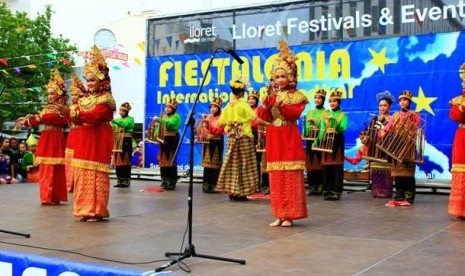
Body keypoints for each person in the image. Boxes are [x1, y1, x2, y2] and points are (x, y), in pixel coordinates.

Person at [257, 40, 308, 227]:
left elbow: (294, 113)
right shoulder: (271, 95)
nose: (279, 80)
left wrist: (279, 104)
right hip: (274, 137)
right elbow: (261, 116)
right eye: (276, 77)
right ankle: (279, 214)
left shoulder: (297, 96)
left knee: (290, 177)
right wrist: (267, 102)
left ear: (291, 77)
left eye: (282, 77)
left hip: (289, 135)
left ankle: (290, 215)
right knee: (276, 177)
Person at [70, 45, 116, 222]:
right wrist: (73, 114)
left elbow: (97, 115)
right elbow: (75, 118)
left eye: (92, 80)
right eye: (87, 80)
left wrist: (78, 113)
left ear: (102, 81)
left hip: (98, 138)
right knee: (82, 173)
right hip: (84, 138)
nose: (89, 84)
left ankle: (96, 210)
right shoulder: (85, 99)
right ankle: (83, 210)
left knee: (96, 174)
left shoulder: (106, 99)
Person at [15, 68, 68, 205]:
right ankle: (47, 196)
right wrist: (26, 121)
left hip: (55, 137)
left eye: (52, 93)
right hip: (47, 137)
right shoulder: (47, 109)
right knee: (46, 168)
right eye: (48, 94)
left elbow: (52, 119)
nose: (49, 96)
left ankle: (55, 196)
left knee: (55, 168)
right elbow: (40, 119)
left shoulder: (63, 108)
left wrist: (36, 118)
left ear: (59, 94)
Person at [216, 76, 264, 201]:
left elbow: (221, 123)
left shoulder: (228, 106)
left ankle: (233, 192)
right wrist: (270, 124)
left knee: (232, 164)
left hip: (232, 138)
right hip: (244, 138)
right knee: (244, 165)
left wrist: (231, 128)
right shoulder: (243, 105)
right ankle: (241, 192)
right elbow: (255, 119)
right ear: (241, 92)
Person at [379, 90, 420, 204]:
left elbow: (415, 127)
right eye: (401, 100)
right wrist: (382, 132)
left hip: (408, 144)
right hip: (396, 143)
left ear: (409, 101)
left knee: (408, 170)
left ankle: (409, 194)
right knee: (397, 171)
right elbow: (388, 127)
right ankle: (399, 193)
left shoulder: (414, 114)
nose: (402, 102)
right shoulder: (395, 115)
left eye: (405, 100)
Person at [319, 91, 348, 201]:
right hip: (326, 141)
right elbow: (322, 129)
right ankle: (327, 190)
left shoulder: (343, 115)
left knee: (337, 168)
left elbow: (343, 128)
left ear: (339, 102)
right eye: (330, 101)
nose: (332, 103)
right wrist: (319, 140)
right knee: (326, 167)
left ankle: (336, 191)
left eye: (334, 101)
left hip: (337, 141)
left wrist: (334, 123)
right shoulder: (325, 115)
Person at [366, 90, 395, 198]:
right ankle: (376, 191)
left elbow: (394, 134)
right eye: (380, 105)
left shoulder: (393, 119)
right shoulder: (374, 119)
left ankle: (386, 191)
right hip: (375, 149)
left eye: (385, 105)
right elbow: (369, 134)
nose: (382, 108)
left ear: (389, 107)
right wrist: (366, 140)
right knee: (376, 170)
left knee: (386, 170)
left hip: (387, 148)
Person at [448, 63, 465, 220]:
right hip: (463, 137)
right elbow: (454, 116)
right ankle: (461, 209)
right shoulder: (458, 100)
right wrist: (462, 108)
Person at [304, 89, 328, 196]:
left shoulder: (326, 113)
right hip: (310, 140)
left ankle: (321, 186)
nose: (317, 100)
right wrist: (306, 132)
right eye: (316, 98)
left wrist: (319, 138)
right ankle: (312, 186)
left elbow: (324, 127)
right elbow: (306, 127)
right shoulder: (310, 112)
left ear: (323, 100)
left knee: (320, 163)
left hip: (320, 140)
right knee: (310, 163)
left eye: (319, 98)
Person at [65, 74, 86, 192]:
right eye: (72, 94)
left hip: (80, 133)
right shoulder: (71, 106)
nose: (73, 97)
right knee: (69, 160)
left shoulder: (83, 106)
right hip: (72, 133)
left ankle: (77, 183)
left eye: (75, 94)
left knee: (78, 158)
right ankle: (69, 183)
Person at [199, 97, 224, 193]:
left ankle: (214, 185)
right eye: (211, 107)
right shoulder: (208, 117)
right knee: (207, 165)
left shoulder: (222, 117)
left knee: (215, 165)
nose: (212, 109)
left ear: (219, 108)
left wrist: (207, 125)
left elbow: (219, 130)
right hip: (207, 143)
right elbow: (203, 130)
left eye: (215, 107)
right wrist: (202, 128)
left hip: (216, 143)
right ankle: (206, 184)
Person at [156, 98, 181, 190]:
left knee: (171, 160)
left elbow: (171, 125)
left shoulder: (176, 117)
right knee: (163, 161)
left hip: (172, 140)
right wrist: (154, 135)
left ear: (173, 108)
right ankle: (164, 180)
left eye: (169, 107)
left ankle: (171, 181)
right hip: (163, 140)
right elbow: (159, 129)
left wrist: (160, 120)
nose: (167, 109)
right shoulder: (164, 117)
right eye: (166, 107)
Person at [248, 90, 270, 194]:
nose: (251, 100)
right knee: (253, 161)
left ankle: (265, 184)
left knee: (264, 159)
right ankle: (254, 184)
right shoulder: (246, 110)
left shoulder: (260, 109)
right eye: (249, 99)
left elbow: (260, 121)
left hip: (261, 134)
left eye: (253, 99)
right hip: (249, 135)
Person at [112, 102, 135, 188]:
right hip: (118, 140)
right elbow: (112, 127)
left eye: (123, 111)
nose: (121, 112)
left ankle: (126, 181)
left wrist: (114, 122)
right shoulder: (117, 120)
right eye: (120, 110)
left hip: (126, 141)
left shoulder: (130, 119)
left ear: (127, 112)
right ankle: (120, 180)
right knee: (118, 161)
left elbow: (125, 125)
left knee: (125, 160)